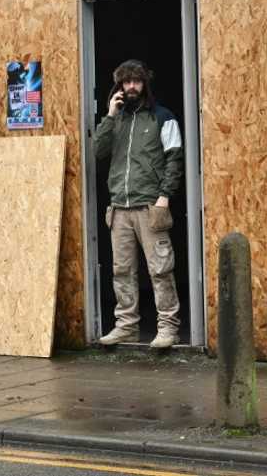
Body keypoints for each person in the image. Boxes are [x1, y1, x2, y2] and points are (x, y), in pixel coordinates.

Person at [94, 59, 184, 349]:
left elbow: (174, 158)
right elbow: (98, 150)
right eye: (126, 82)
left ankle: (168, 328)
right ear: (120, 86)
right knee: (122, 270)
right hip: (119, 207)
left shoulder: (162, 117)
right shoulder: (116, 119)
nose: (131, 87)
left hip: (150, 206)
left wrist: (164, 196)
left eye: (137, 81)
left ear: (145, 83)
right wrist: (109, 114)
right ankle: (126, 326)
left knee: (160, 269)